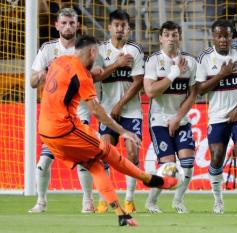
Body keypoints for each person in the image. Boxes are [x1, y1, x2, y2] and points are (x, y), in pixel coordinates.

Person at [38, 34, 177, 226]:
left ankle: (120, 213)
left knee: (94, 164)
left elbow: (58, 82)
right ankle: (150, 179)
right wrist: (123, 131)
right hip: (65, 130)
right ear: (93, 52)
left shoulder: (59, 61)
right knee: (109, 152)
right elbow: (96, 110)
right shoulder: (82, 75)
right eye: (97, 56)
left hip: (45, 132)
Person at [29, 8, 103, 214]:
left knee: (83, 161)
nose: (68, 26)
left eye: (72, 23)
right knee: (43, 162)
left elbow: (97, 75)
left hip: (80, 114)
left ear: (77, 25)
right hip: (55, 118)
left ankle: (87, 201)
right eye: (64, 23)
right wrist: (47, 72)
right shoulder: (47, 49)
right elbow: (33, 82)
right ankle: (41, 202)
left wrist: (93, 73)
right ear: (56, 25)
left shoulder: (86, 48)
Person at [195, 19, 237, 214]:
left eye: (227, 36)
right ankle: (218, 201)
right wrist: (221, 74)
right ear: (213, 37)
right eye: (219, 36)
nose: (223, 39)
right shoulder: (204, 58)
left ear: (232, 37)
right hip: (217, 116)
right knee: (216, 158)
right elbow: (199, 91)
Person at [143, 21, 198, 214]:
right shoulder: (153, 61)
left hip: (181, 120)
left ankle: (178, 200)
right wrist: (174, 73)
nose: (170, 38)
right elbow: (150, 92)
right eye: (166, 35)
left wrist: (177, 118)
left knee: (188, 164)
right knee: (167, 165)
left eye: (174, 35)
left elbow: (193, 94)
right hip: (158, 121)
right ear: (160, 38)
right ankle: (151, 201)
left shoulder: (190, 62)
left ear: (180, 37)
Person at [94, 9, 144, 214]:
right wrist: (116, 64)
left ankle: (130, 199)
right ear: (109, 27)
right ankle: (105, 198)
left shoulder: (135, 50)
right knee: (103, 152)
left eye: (123, 25)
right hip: (106, 112)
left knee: (132, 153)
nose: (120, 29)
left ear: (129, 28)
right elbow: (97, 77)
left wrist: (119, 105)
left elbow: (138, 82)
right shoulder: (99, 50)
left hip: (130, 111)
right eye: (116, 25)